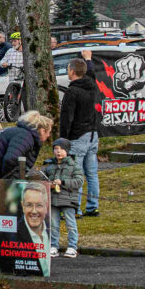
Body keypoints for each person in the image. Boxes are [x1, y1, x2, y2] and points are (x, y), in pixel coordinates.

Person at [0, 110, 54, 254]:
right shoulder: (26, 137)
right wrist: (9, 184)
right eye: (49, 132)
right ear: (42, 130)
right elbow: (11, 159)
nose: (49, 135)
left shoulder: (20, 133)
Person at [61, 55, 100, 218]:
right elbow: (91, 73)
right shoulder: (91, 85)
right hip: (92, 134)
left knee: (75, 174)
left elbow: (66, 117)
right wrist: (88, 59)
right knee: (91, 173)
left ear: (72, 71)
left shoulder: (72, 91)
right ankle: (93, 206)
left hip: (78, 136)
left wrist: (62, 141)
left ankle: (74, 208)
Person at [43, 138, 83, 258]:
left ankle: (72, 247)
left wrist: (63, 182)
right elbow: (44, 180)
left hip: (68, 200)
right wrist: (49, 184)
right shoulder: (49, 167)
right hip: (53, 199)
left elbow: (79, 181)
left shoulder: (74, 165)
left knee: (70, 224)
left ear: (67, 151)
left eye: (61, 149)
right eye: (56, 149)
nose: (58, 152)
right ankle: (54, 246)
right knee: (53, 225)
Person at [15, 181, 51, 275]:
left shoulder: (51, 230)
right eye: (29, 205)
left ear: (46, 206)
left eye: (39, 205)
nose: (34, 211)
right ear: (23, 206)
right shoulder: (12, 235)